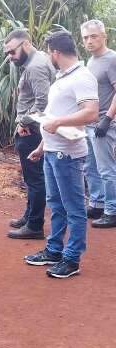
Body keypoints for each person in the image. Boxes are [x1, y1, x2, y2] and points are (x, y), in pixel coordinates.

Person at [24, 30, 99, 278]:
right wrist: (41, 146)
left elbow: (91, 113)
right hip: (53, 152)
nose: (49, 56)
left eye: (49, 53)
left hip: (68, 155)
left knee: (74, 208)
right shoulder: (62, 77)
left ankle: (71, 258)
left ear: (55, 53)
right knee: (56, 204)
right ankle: (54, 250)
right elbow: (56, 115)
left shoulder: (82, 77)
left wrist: (56, 125)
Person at [3, 29, 56, 239]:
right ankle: (29, 216)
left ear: (25, 44)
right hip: (32, 128)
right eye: (7, 53)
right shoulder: (36, 61)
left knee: (34, 179)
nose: (10, 57)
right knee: (31, 177)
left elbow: (43, 102)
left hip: (31, 131)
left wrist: (24, 121)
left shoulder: (35, 67)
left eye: (12, 52)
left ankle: (34, 226)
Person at [81, 19, 116, 228]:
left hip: (106, 123)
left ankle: (112, 210)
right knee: (90, 166)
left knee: (106, 168)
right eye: (85, 37)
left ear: (104, 36)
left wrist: (108, 118)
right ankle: (97, 203)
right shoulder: (91, 61)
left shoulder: (111, 59)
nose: (89, 41)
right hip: (91, 123)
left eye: (94, 36)